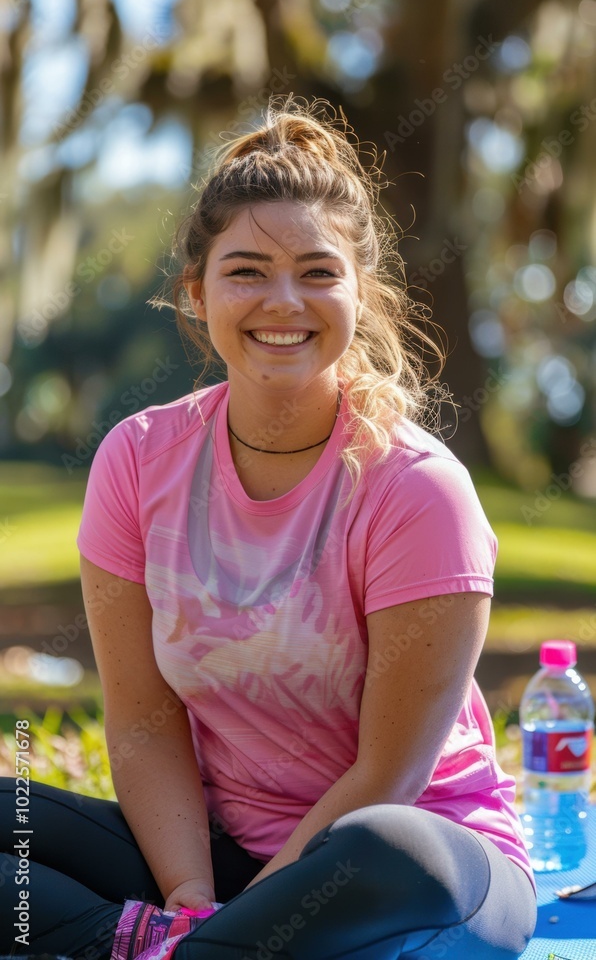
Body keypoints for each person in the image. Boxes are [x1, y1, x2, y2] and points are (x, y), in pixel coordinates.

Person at [0, 95, 537, 960]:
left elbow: (385, 778)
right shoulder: (138, 462)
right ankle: (163, 945)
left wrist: (265, 906)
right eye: (247, 270)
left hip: (415, 858)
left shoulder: (418, 491)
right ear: (196, 291)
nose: (283, 300)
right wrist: (188, 897)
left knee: (388, 852)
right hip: (220, 856)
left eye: (318, 271)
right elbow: (143, 722)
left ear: (361, 291)